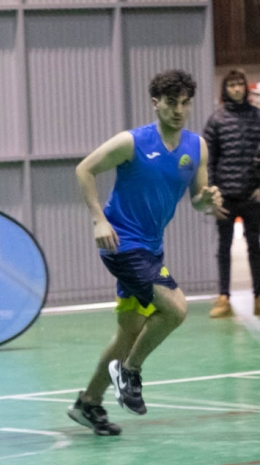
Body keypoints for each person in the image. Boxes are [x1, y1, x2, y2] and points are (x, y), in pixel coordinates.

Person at [68, 70, 222, 435]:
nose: (179, 111)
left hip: (151, 248)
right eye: (171, 103)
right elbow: (84, 169)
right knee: (175, 308)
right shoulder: (132, 142)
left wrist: (207, 201)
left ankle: (88, 403)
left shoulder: (196, 148)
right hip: (120, 243)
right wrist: (98, 220)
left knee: (129, 332)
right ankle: (129, 371)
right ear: (155, 103)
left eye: (185, 103)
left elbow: (197, 200)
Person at [204, 69, 260, 318]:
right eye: (231, 85)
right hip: (224, 197)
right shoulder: (216, 120)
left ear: (245, 87)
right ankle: (223, 298)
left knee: (255, 247)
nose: (236, 88)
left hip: (252, 196)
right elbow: (208, 160)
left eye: (240, 84)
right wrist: (212, 194)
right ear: (224, 89)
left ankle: (258, 297)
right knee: (223, 248)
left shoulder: (257, 117)